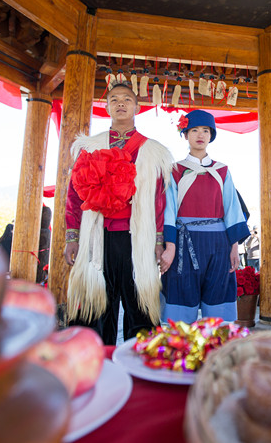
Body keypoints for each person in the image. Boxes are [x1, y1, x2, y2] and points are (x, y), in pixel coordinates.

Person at [63, 80, 174, 345]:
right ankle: (94, 365)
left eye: (126, 99)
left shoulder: (153, 152)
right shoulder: (89, 147)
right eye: (114, 99)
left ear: (137, 106)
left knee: (141, 308)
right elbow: (74, 195)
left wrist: (160, 242)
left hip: (137, 240)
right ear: (107, 107)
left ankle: (143, 369)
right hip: (96, 238)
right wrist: (72, 237)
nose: (120, 103)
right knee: (94, 308)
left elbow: (160, 202)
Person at [159, 110, 250, 323]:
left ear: (211, 135)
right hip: (183, 244)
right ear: (185, 134)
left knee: (218, 300)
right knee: (181, 300)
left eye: (206, 130)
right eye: (194, 130)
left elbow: (232, 209)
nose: (200, 135)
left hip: (219, 245)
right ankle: (181, 350)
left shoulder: (223, 171)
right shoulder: (174, 171)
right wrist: (170, 247)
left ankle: (216, 351)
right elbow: (169, 211)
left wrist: (234, 246)